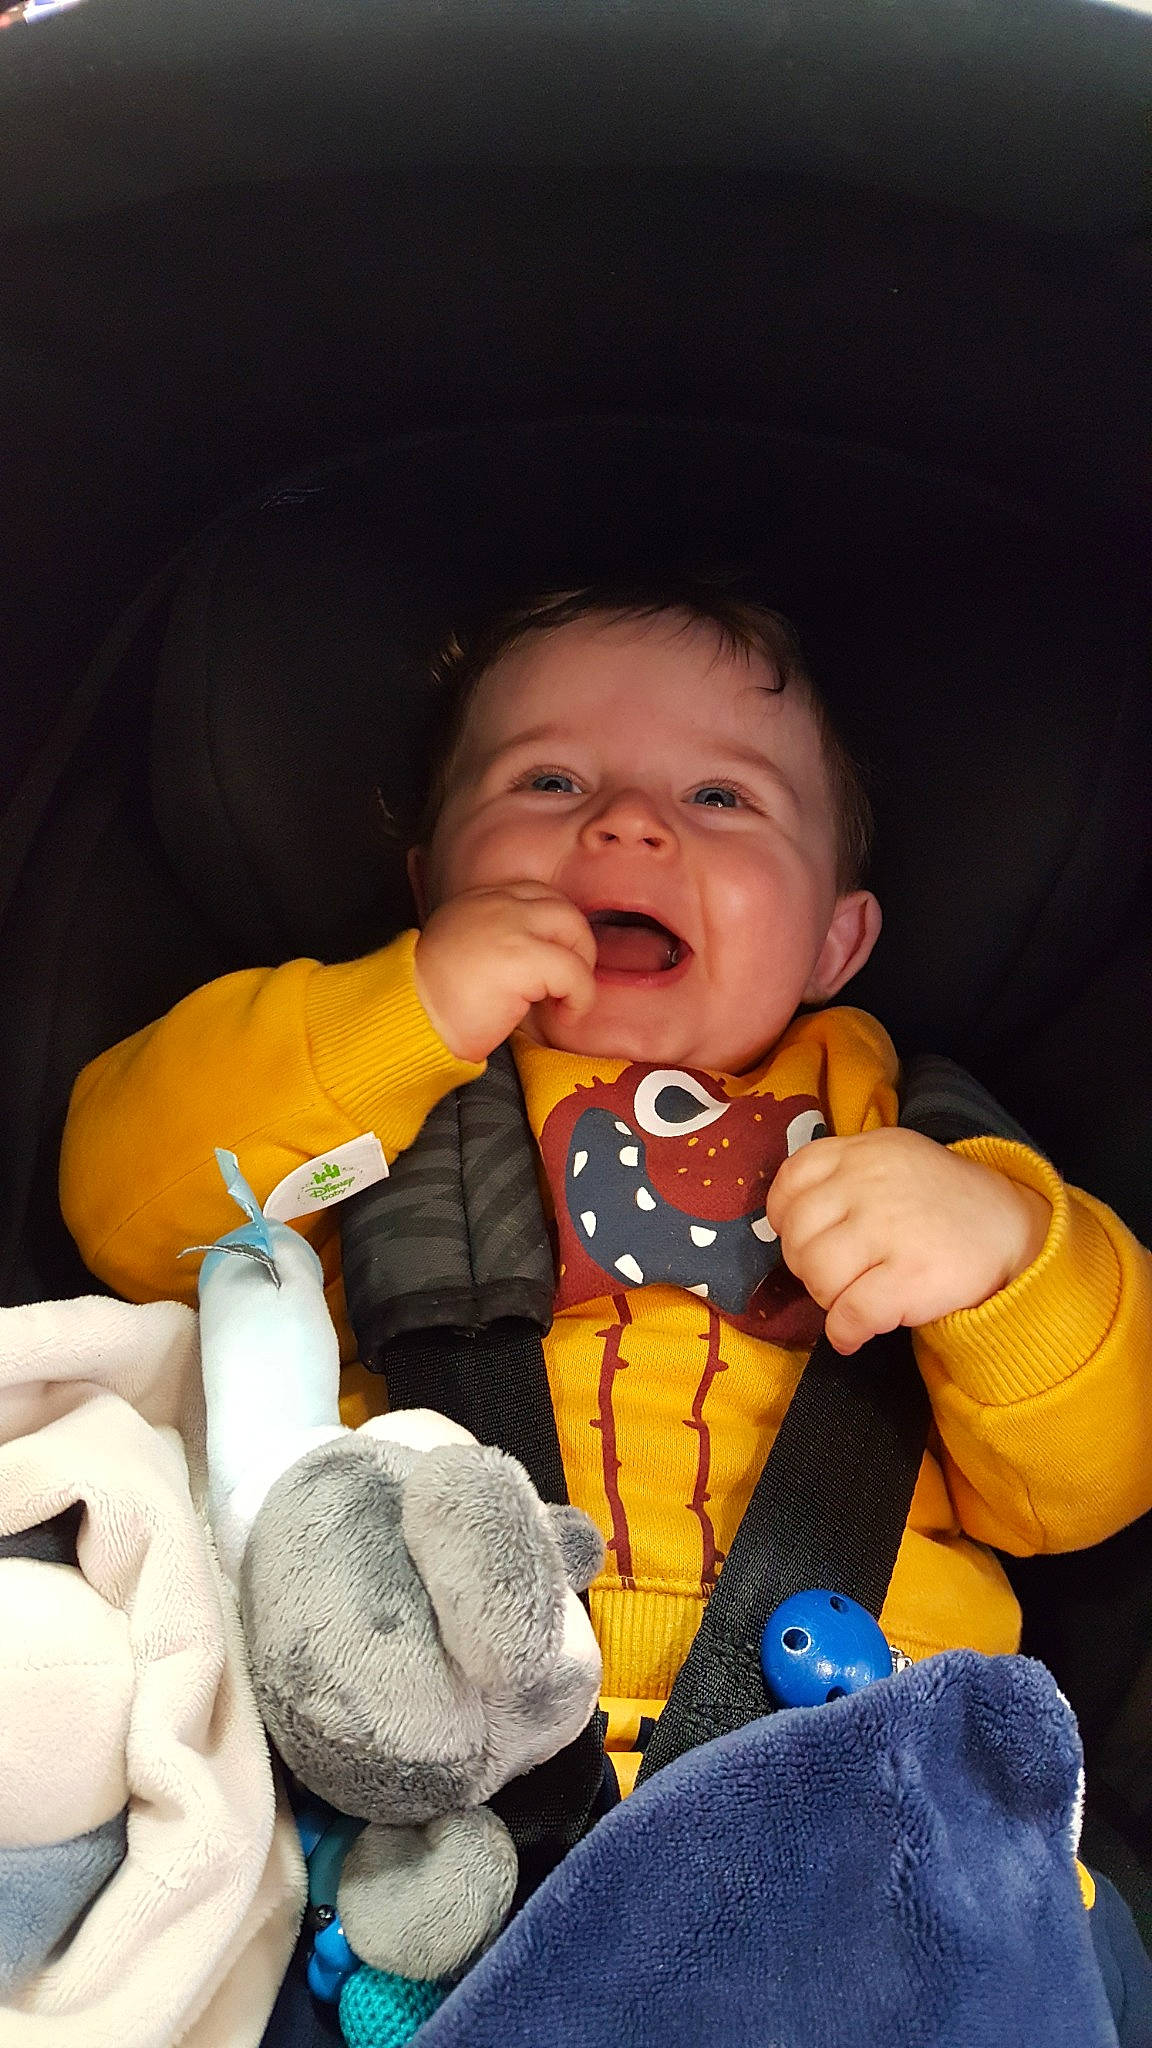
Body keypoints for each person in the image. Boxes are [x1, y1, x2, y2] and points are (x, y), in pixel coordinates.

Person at [60, 580, 1152, 1801]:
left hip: (864, 1751)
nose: (630, 823)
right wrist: (399, 1009)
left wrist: (1004, 1255)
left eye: (721, 797)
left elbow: (1099, 1477)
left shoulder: (906, 1118)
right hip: (419, 1759)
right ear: (431, 883)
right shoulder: (386, 1084)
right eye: (549, 783)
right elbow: (127, 1212)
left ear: (835, 942)